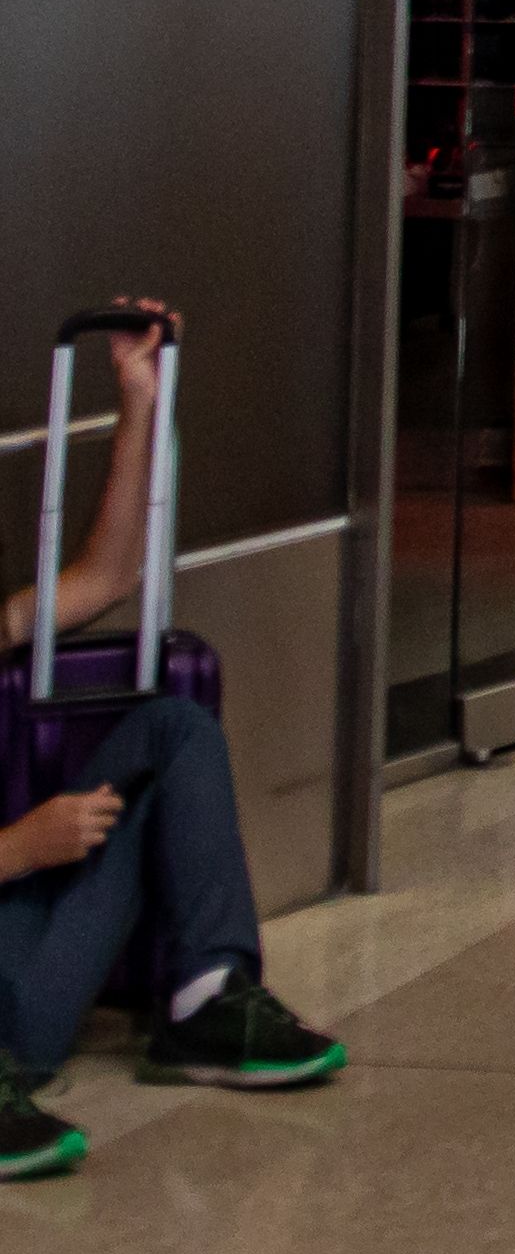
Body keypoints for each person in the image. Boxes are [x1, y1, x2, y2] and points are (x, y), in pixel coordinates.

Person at [0, 303, 342, 1178]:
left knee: (174, 728)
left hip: (22, 959)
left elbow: (109, 575)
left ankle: (205, 997)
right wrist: (15, 848)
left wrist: (139, 399)